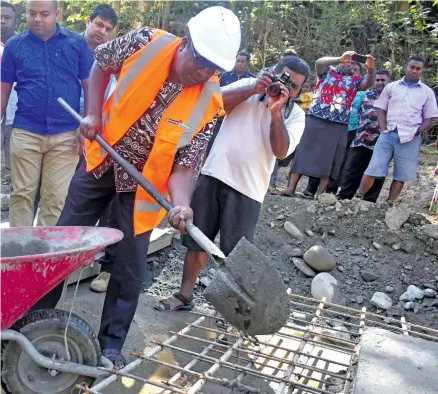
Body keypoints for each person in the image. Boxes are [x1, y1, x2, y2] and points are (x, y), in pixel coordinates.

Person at [33, 6, 241, 368]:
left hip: (144, 188)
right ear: (186, 43)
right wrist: (95, 113)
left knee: (130, 269)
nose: (205, 73)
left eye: (214, 69)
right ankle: (31, 319)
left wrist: (182, 204)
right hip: (101, 160)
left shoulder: (211, 102)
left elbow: (185, 164)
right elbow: (101, 65)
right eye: (202, 62)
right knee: (61, 244)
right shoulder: (145, 41)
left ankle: (110, 347)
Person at [155, 56, 308, 313]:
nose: (286, 87)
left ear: (298, 91)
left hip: (249, 190)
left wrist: (275, 112)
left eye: (293, 86)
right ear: (272, 72)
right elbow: (212, 104)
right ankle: (184, 295)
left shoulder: (295, 115)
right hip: (213, 174)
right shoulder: (249, 86)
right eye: (283, 79)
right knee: (196, 240)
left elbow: (281, 152)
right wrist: (253, 88)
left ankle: (226, 311)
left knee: (234, 255)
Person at [0, 0, 93, 227]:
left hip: (66, 135)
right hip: (26, 131)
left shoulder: (76, 44)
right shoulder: (14, 46)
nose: (37, 19)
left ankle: (45, 253)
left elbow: (90, 86)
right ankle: (21, 252)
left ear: (56, 13)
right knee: (21, 195)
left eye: (44, 14)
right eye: (32, 14)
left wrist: (87, 124)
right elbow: (3, 90)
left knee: (55, 199)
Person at [278, 51, 375, 197]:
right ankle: (291, 188)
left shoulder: (356, 81)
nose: (350, 64)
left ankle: (321, 194)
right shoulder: (327, 72)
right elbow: (319, 62)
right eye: (348, 60)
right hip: (315, 118)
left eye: (354, 63)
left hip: (339, 124)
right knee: (303, 152)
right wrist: (339, 58)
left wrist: (371, 69)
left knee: (331, 159)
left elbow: (369, 83)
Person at [356, 56, 438, 205]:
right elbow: (381, 109)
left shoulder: (427, 92)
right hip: (388, 134)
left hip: (410, 138)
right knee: (374, 168)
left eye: (418, 68)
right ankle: (357, 198)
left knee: (401, 174)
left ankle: (390, 203)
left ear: (421, 71)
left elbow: (430, 118)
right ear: (406, 67)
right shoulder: (392, 87)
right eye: (412, 67)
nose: (414, 70)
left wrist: (418, 131)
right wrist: (383, 128)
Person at [299, 61, 364, 198]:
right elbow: (319, 64)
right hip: (329, 120)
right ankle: (311, 188)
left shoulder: (361, 89)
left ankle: (330, 191)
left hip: (349, 127)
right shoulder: (331, 75)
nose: (353, 69)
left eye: (356, 68)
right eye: (351, 65)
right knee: (321, 155)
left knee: (337, 160)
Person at [336, 69, 391, 202]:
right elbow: (358, 112)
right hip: (361, 139)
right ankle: (344, 196)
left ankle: (369, 201)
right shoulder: (365, 95)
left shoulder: (393, 99)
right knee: (352, 169)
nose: (379, 83)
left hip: (381, 141)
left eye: (383, 80)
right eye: (377, 80)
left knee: (377, 172)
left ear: (389, 81)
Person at [204, 52, 254, 158]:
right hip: (220, 118)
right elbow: (216, 94)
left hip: (238, 119)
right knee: (211, 144)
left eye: (243, 61)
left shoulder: (252, 81)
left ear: (247, 63)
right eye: (238, 61)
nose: (240, 64)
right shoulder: (224, 76)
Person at [0, 1, 17, 186]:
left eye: (7, 18)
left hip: (16, 110)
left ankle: (12, 203)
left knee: (15, 162)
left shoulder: (23, 45)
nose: (2, 21)